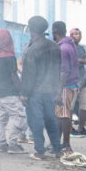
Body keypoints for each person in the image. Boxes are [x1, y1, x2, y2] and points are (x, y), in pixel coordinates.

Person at [21, 16, 63, 160]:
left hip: (35, 91)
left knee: (36, 121)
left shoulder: (31, 49)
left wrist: (25, 93)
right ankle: (57, 150)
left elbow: (29, 74)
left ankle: (40, 151)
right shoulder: (55, 46)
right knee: (51, 119)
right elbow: (58, 69)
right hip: (50, 90)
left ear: (31, 29)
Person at [0, 29, 27, 154]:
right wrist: (22, 90)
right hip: (10, 93)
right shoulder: (10, 57)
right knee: (20, 117)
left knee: (0, 119)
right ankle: (13, 144)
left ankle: (2, 144)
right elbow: (13, 76)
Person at [52, 21, 79, 154]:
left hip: (65, 85)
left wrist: (58, 90)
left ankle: (66, 145)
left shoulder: (62, 48)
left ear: (55, 30)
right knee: (60, 115)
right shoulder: (70, 44)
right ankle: (58, 144)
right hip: (70, 84)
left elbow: (64, 71)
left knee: (64, 115)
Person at [69, 28, 86, 137]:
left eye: (79, 34)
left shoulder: (81, 48)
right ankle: (69, 128)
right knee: (70, 106)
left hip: (82, 82)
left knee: (85, 106)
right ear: (70, 35)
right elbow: (70, 61)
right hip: (71, 81)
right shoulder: (67, 47)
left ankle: (81, 127)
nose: (77, 36)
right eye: (74, 34)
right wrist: (83, 61)